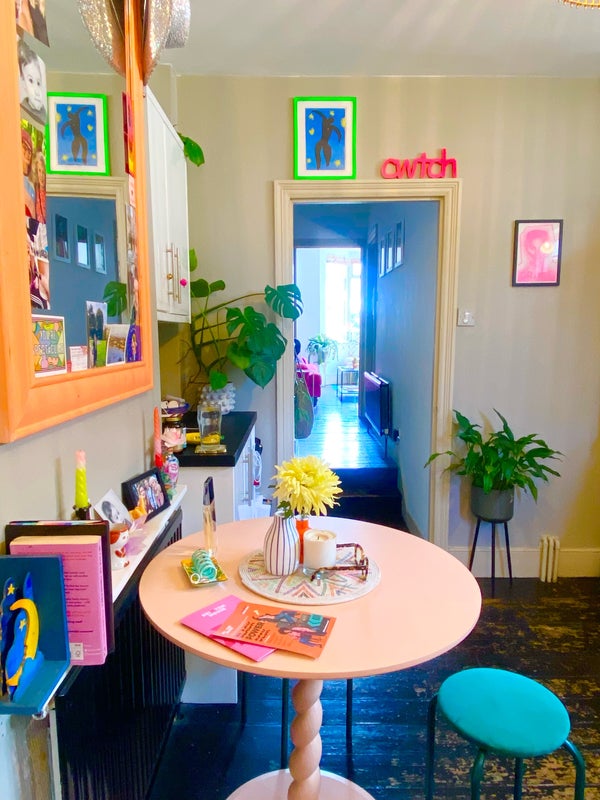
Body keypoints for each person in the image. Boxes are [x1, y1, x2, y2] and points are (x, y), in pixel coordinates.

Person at [18, 38, 46, 126]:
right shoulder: (20, 112)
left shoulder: (44, 115)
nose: (37, 91)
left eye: (38, 83)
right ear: (23, 80)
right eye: (30, 81)